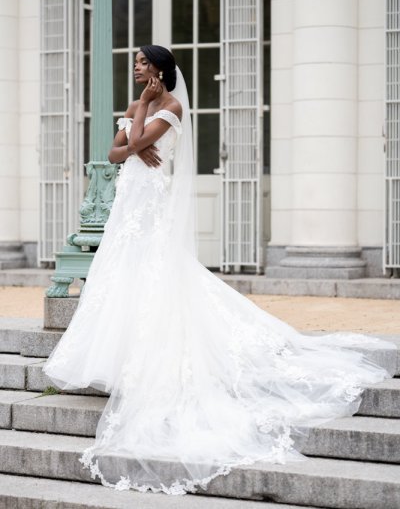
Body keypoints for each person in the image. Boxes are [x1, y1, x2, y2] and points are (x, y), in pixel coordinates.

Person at [44, 45, 394, 496]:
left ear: (160, 70)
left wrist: (141, 121)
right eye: (134, 63)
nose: (134, 68)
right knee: (124, 273)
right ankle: (117, 355)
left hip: (151, 201)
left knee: (155, 271)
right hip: (129, 200)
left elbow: (132, 145)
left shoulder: (169, 106)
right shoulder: (138, 106)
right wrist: (134, 135)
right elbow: (115, 156)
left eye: (140, 63)